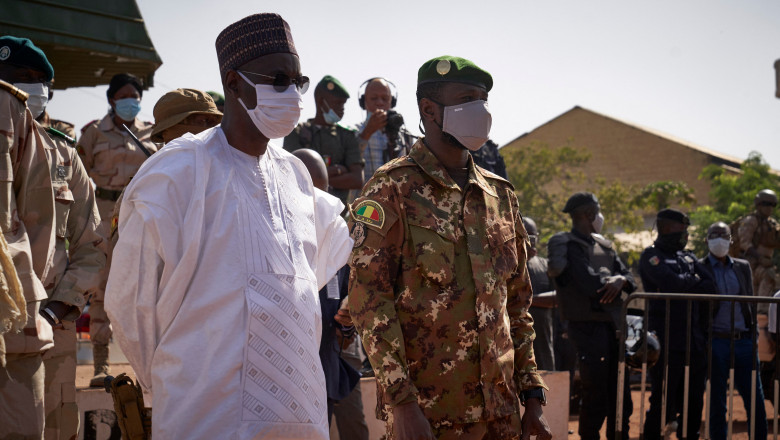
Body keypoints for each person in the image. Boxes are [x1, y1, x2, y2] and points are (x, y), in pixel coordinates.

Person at [105, 13, 352, 439]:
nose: (291, 93)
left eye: (298, 81)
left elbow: (325, 267)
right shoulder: (178, 171)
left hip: (303, 418)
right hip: (204, 416)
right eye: (278, 79)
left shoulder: (295, 175)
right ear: (234, 83)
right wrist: (169, 383)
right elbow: (132, 304)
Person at [348, 55, 551, 440]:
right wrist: (402, 404)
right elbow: (368, 300)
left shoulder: (499, 194)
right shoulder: (391, 188)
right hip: (428, 417)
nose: (481, 110)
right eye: (467, 99)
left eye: (483, 99)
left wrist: (533, 394)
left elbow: (517, 304)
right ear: (429, 110)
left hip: (503, 414)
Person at [8, 40, 108, 440]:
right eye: (16, 81)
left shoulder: (65, 156)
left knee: (55, 430)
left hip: (54, 331)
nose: (28, 91)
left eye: (36, 81)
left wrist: (56, 310)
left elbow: (92, 243)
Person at [77, 72, 158, 387]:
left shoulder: (152, 134)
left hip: (138, 215)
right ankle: (100, 364)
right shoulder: (94, 133)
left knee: (143, 286)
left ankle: (145, 364)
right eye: (125, 96)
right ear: (111, 99)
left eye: (136, 97)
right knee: (101, 285)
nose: (131, 102)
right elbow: (72, 170)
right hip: (102, 213)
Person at [0, 35, 57, 439]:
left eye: (39, 79)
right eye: (23, 77)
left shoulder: (14, 111)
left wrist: (28, 298)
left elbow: (38, 220)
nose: (32, 88)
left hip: (13, 313)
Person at [291, 149, 368, 439]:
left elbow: (349, 294)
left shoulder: (337, 236)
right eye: (309, 191)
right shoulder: (272, 239)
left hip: (331, 359)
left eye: (322, 191)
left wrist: (347, 321)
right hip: (291, 365)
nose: (317, 200)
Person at [547, 192, 635, 440]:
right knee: (595, 395)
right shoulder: (571, 246)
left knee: (621, 396)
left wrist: (620, 280)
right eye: (597, 210)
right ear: (589, 214)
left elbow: (631, 280)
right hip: (588, 329)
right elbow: (589, 285)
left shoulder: (604, 245)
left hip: (613, 329)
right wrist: (615, 283)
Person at [639, 209, 714, 440]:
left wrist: (685, 283)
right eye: (681, 229)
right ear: (666, 228)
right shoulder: (652, 256)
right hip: (666, 342)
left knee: (693, 399)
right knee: (662, 399)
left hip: (693, 341)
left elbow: (710, 285)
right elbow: (670, 283)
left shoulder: (688, 257)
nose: (686, 234)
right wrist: (692, 282)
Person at [699, 221, 767, 440]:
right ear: (707, 239)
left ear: (731, 240)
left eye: (723, 235)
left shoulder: (742, 266)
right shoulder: (700, 267)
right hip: (716, 341)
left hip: (744, 341)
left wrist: (753, 333)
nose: (718, 239)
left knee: (754, 398)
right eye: (714, 234)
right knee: (717, 399)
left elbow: (749, 300)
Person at [284, 75, 364, 207]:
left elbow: (356, 180)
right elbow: (291, 176)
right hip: (303, 208)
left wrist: (315, 178)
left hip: (339, 214)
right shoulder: (297, 133)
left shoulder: (347, 136)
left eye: (344, 104)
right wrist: (337, 172)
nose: (342, 108)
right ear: (321, 101)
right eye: (338, 103)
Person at [355, 77, 416, 179]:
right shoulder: (354, 132)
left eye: (385, 99)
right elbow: (349, 161)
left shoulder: (405, 136)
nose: (380, 103)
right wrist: (367, 133)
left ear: (392, 102)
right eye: (374, 98)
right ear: (363, 102)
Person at [736, 189, 780, 313]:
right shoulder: (750, 221)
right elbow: (744, 243)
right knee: (767, 277)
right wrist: (760, 258)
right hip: (749, 264)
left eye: (773, 205)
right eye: (766, 204)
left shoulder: (771, 223)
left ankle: (761, 315)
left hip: (764, 264)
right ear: (759, 205)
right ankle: (760, 314)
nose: (770, 208)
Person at [523, 217, 556, 371]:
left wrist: (527, 300)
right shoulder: (505, 265)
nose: (529, 240)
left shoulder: (544, 265)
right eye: (525, 235)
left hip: (542, 342)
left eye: (532, 235)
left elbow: (558, 297)